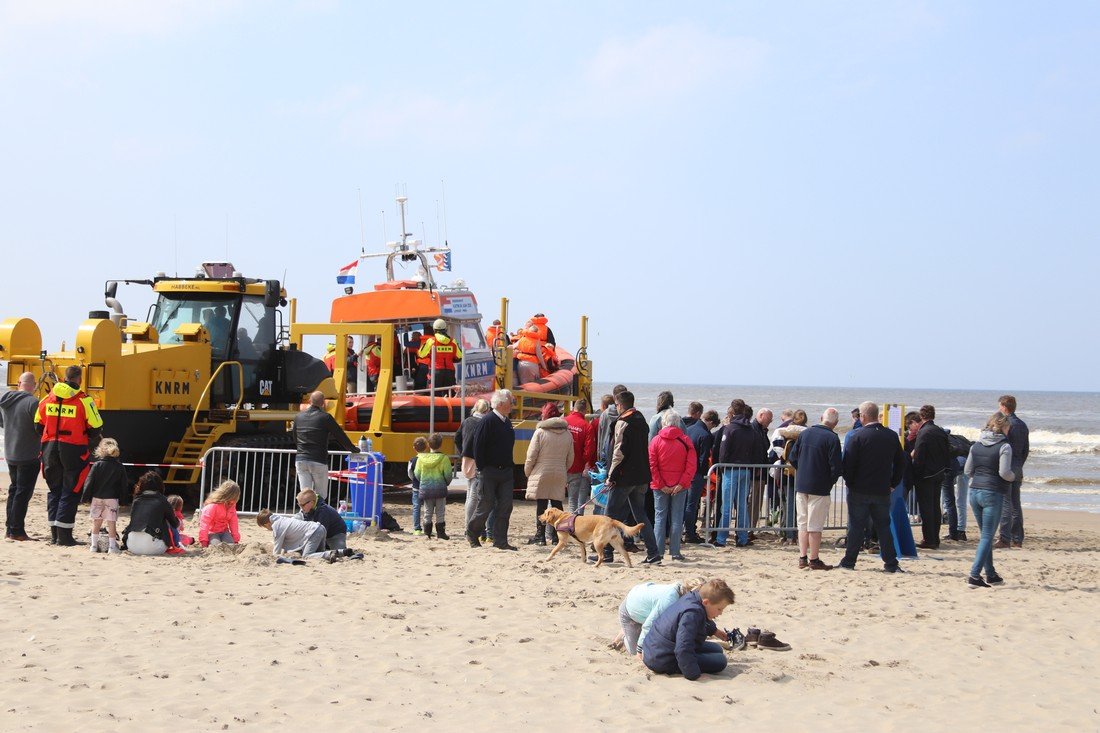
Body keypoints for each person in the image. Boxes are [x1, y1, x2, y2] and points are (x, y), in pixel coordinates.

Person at [35, 365, 103, 546]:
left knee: (54, 491)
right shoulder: (84, 400)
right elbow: (96, 427)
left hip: (49, 449)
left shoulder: (46, 399)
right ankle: (64, 537)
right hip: (74, 450)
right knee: (70, 491)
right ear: (79, 379)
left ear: (64, 377)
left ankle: (54, 535)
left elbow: (37, 425)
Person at [838, 402, 906, 573]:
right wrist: (893, 483)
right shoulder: (891, 436)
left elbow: (848, 464)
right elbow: (901, 462)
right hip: (882, 489)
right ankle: (890, 563)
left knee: (856, 527)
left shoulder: (857, 436)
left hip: (859, 489)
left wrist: (850, 482)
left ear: (863, 416)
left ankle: (849, 562)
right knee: (883, 527)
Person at [642, 578, 735, 680]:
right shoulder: (692, 613)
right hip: (662, 658)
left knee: (716, 649)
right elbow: (683, 647)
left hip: (657, 647)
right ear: (706, 602)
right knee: (721, 661)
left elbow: (701, 619)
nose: (721, 613)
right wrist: (693, 675)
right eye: (719, 609)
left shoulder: (694, 597)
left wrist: (714, 631)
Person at [606, 390, 660, 564]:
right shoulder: (642, 420)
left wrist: (611, 476)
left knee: (609, 516)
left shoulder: (623, 422)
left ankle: (607, 553)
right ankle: (654, 553)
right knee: (640, 515)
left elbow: (619, 453)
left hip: (625, 477)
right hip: (642, 476)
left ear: (619, 405)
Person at [964, 413, 1015, 588]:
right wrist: (1013, 477)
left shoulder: (976, 445)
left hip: (974, 492)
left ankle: (991, 574)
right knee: (987, 536)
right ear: (1004, 427)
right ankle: (974, 575)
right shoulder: (1004, 446)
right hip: (992, 493)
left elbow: (967, 470)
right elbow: (1004, 472)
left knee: (985, 535)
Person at [788, 409, 842, 570]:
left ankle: (802, 557)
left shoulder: (806, 433)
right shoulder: (832, 438)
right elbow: (836, 466)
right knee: (815, 526)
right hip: (819, 487)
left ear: (821, 418)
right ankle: (814, 558)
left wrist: (802, 470)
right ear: (836, 423)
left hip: (802, 484)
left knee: (802, 524)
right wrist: (829, 482)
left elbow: (792, 457)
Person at [467, 390, 517, 551]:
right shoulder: (488, 421)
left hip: (506, 471)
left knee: (505, 506)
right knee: (485, 505)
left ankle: (500, 541)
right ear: (501, 404)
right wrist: (481, 468)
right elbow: (478, 446)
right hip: (489, 471)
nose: (512, 404)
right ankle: (472, 533)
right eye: (510, 401)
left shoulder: (507, 422)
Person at [291, 391, 358, 500]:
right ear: (323, 403)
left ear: (309, 401)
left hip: (301, 459)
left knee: (305, 494)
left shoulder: (298, 417)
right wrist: (353, 449)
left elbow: (295, 436)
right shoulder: (325, 417)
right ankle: (318, 515)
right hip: (318, 460)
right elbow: (340, 435)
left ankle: (307, 515)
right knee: (320, 495)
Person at [649, 410, 697, 562]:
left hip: (661, 485)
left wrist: (660, 483)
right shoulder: (685, 440)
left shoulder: (655, 440)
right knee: (676, 519)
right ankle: (675, 552)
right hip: (679, 485)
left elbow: (652, 464)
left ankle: (659, 551)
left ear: (663, 423)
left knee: (660, 518)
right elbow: (691, 465)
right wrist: (682, 483)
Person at [615, 577, 706, 657]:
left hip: (643, 602)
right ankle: (624, 635)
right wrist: (639, 649)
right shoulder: (669, 600)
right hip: (629, 612)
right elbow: (648, 625)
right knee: (637, 652)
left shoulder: (680, 592)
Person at [523, 403, 573, 545]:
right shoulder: (567, 434)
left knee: (542, 503)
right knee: (557, 503)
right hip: (559, 471)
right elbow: (570, 458)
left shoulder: (540, 432)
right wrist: (563, 468)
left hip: (542, 471)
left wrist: (528, 471)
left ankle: (540, 536)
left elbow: (531, 455)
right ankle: (558, 536)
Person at [711, 399, 756, 547]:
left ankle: (721, 538)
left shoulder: (730, 429)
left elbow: (723, 452)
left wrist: (722, 467)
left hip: (731, 469)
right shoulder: (751, 429)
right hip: (746, 469)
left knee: (727, 506)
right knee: (742, 505)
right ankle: (742, 538)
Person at [1, 372, 40, 541]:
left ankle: (9, 528)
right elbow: (39, 428)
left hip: (10, 452)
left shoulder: (4, 400)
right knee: (22, 493)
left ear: (18, 383)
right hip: (28, 454)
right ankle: (16, 531)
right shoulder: (33, 403)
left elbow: (2, 423)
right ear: (35, 385)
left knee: (14, 490)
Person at [911, 404, 950, 550]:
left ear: (922, 416)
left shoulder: (924, 432)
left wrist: (916, 472)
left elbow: (919, 455)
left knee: (926, 508)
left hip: (926, 475)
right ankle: (935, 538)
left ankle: (929, 539)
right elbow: (947, 451)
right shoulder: (939, 431)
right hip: (939, 473)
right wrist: (945, 468)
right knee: (934, 507)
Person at [79, 437, 127, 554]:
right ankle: (112, 547)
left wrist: (85, 498)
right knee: (111, 523)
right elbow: (123, 485)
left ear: (101, 450)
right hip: (112, 498)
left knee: (96, 522)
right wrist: (124, 501)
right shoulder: (119, 466)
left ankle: (93, 546)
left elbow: (89, 482)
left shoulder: (97, 465)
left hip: (97, 497)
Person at [996, 395, 1029, 549]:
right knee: (1015, 504)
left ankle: (1005, 538)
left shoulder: (1007, 424)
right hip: (1017, 466)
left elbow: (1002, 446)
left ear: (1004, 407)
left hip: (1008, 466)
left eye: (999, 406)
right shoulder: (1022, 425)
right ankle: (1017, 538)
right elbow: (1025, 450)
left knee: (1006, 504)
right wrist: (1019, 464)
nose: (998, 409)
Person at [122, 471, 182, 556]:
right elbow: (174, 523)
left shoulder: (136, 500)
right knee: (166, 522)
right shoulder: (162, 501)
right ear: (160, 485)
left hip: (132, 545)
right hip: (153, 547)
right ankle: (176, 543)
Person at [257, 508, 349, 562]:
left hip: (313, 532)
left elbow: (276, 550)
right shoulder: (282, 519)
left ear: (267, 524)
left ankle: (331, 553)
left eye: (265, 528)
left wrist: (273, 558)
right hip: (320, 528)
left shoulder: (277, 526)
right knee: (319, 554)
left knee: (307, 555)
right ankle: (341, 552)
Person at [681, 402, 713, 545]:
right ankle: (690, 533)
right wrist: (703, 473)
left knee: (684, 504)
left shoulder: (689, 429)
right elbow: (703, 458)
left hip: (685, 471)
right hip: (696, 473)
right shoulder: (705, 434)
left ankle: (684, 531)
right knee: (692, 505)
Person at [455, 399, 490, 532]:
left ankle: (467, 525)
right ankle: (469, 527)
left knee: (469, 493)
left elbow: (457, 438)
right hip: (478, 460)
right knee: (474, 496)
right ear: (486, 410)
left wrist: (462, 452)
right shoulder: (485, 423)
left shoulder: (466, 421)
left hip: (466, 459)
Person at [414, 433, 453, 539]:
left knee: (427, 511)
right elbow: (448, 475)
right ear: (440, 445)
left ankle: (427, 532)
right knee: (440, 511)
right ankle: (441, 533)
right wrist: (446, 483)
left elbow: (417, 474)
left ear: (428, 445)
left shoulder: (421, 459)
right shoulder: (444, 458)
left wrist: (424, 481)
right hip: (440, 489)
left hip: (426, 489)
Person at [564, 399, 596, 515]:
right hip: (576, 467)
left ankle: (550, 530)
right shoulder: (587, 426)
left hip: (561, 465)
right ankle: (573, 528)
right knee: (573, 501)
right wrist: (583, 462)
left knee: (555, 499)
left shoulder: (563, 421)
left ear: (573, 408)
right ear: (585, 411)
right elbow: (589, 450)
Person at [416, 318, 463, 390]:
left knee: (435, 395)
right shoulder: (453, 341)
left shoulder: (431, 341)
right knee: (450, 394)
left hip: (436, 371)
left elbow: (421, 354)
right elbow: (459, 357)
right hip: (450, 372)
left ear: (434, 330)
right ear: (445, 329)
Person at [748, 408, 773, 536]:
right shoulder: (753, 430)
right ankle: (748, 530)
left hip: (761, 473)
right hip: (755, 474)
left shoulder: (761, 430)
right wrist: (757, 468)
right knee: (753, 502)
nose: (770, 421)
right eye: (769, 419)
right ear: (761, 415)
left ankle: (750, 529)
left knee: (756, 503)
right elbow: (754, 451)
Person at [199, 480, 242, 547]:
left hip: (224, 532)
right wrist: (204, 541)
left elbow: (234, 523)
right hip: (212, 532)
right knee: (216, 546)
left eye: (235, 499)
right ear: (226, 495)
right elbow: (204, 524)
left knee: (230, 545)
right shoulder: (213, 506)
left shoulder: (232, 507)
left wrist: (236, 539)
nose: (233, 502)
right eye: (232, 498)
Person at [596, 385, 628, 466]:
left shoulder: (605, 414)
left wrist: (599, 457)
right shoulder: (629, 415)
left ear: (614, 397)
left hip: (606, 454)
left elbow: (600, 436)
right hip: (623, 455)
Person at [408, 436, 428, 535]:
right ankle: (427, 527)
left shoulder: (412, 460)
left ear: (414, 448)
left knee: (416, 507)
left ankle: (417, 528)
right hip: (427, 487)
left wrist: (414, 480)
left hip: (416, 487)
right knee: (427, 508)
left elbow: (410, 473)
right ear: (426, 447)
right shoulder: (428, 459)